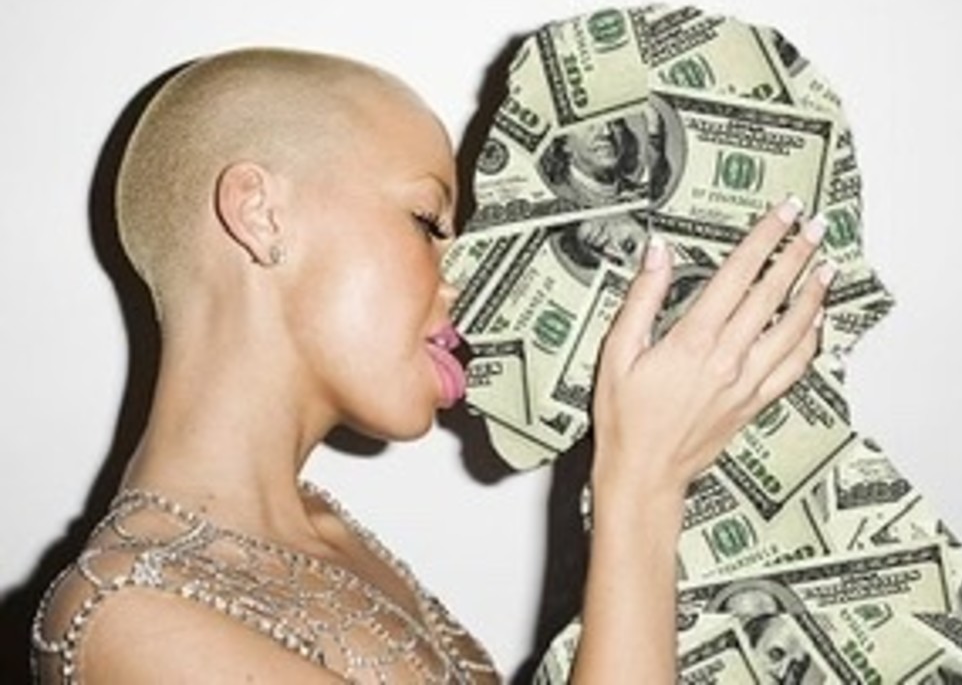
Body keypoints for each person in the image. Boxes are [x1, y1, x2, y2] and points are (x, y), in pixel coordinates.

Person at [32, 47, 832, 683]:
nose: (467, 282)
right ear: (261, 214)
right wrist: (643, 484)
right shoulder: (129, 617)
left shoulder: (329, 534)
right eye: (427, 220)